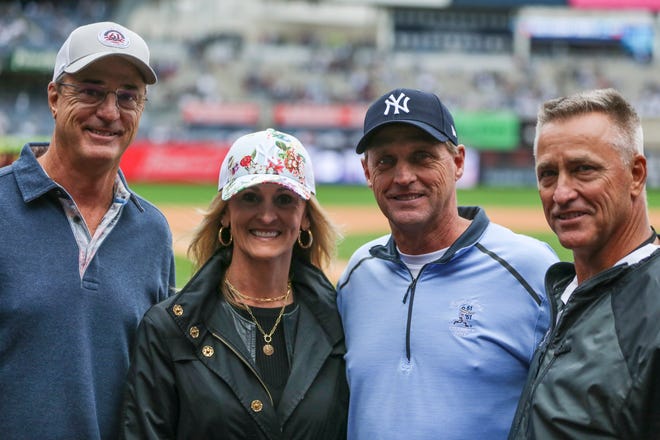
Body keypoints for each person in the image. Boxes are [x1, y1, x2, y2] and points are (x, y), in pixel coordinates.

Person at [336, 88, 559, 439]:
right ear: (367, 172)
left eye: (422, 157)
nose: (403, 176)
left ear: (457, 162)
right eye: (385, 161)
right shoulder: (357, 275)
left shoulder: (530, 268)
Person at [0, 22, 175, 440]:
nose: (110, 112)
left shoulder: (152, 231)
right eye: (92, 91)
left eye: (128, 96)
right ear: (55, 98)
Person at [121, 128, 348, 439]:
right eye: (249, 198)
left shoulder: (339, 324)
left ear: (305, 217)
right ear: (226, 213)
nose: (267, 215)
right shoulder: (168, 328)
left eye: (284, 200)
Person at [508, 88, 660, 439]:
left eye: (584, 169)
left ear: (636, 174)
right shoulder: (569, 293)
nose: (561, 193)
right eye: (547, 174)